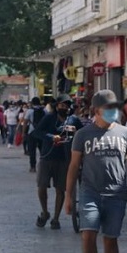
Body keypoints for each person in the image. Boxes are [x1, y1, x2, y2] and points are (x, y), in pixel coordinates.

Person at [65, 89, 127, 253]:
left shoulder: (125, 133)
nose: (112, 112)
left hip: (116, 194)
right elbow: (73, 166)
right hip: (90, 192)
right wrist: (68, 195)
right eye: (108, 109)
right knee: (88, 234)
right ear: (96, 111)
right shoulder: (83, 134)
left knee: (110, 239)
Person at [33, 94, 83, 229]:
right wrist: (51, 137)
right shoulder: (49, 118)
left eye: (67, 105)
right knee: (42, 186)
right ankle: (45, 212)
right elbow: (37, 132)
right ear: (57, 106)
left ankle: (56, 218)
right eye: (62, 105)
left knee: (60, 189)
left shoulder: (73, 120)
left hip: (65, 159)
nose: (64, 107)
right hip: (47, 157)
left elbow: (83, 133)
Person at [24, 97, 46, 172]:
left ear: (32, 103)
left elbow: (25, 122)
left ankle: (33, 167)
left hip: (32, 132)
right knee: (43, 150)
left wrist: (24, 132)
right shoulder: (44, 110)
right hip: (42, 133)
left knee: (32, 150)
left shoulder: (29, 111)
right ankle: (44, 166)